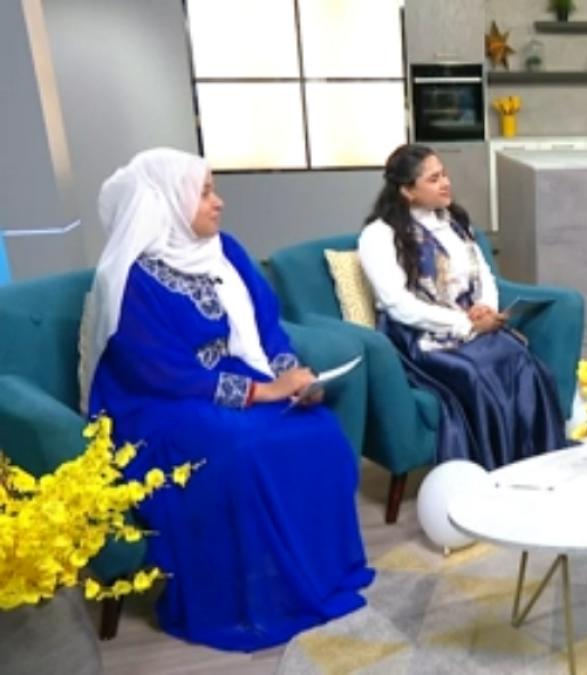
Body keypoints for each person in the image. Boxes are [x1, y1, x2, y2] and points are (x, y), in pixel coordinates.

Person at [83, 148, 373, 652]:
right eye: (204, 193)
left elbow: (267, 327)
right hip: (157, 405)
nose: (219, 202)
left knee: (319, 428)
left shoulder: (226, 251)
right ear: (167, 202)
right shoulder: (130, 279)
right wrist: (262, 392)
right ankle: (247, 600)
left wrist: (292, 376)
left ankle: (316, 573)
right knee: (243, 448)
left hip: (229, 381)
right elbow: (160, 372)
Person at [358, 144, 567, 469]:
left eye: (444, 174)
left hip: (472, 324)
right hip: (418, 337)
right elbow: (397, 304)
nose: (446, 183)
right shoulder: (379, 236)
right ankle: (493, 472)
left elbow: (484, 273)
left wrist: (485, 307)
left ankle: (536, 466)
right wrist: (465, 324)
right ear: (407, 191)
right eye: (433, 179)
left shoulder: (454, 221)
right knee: (475, 374)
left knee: (523, 361)